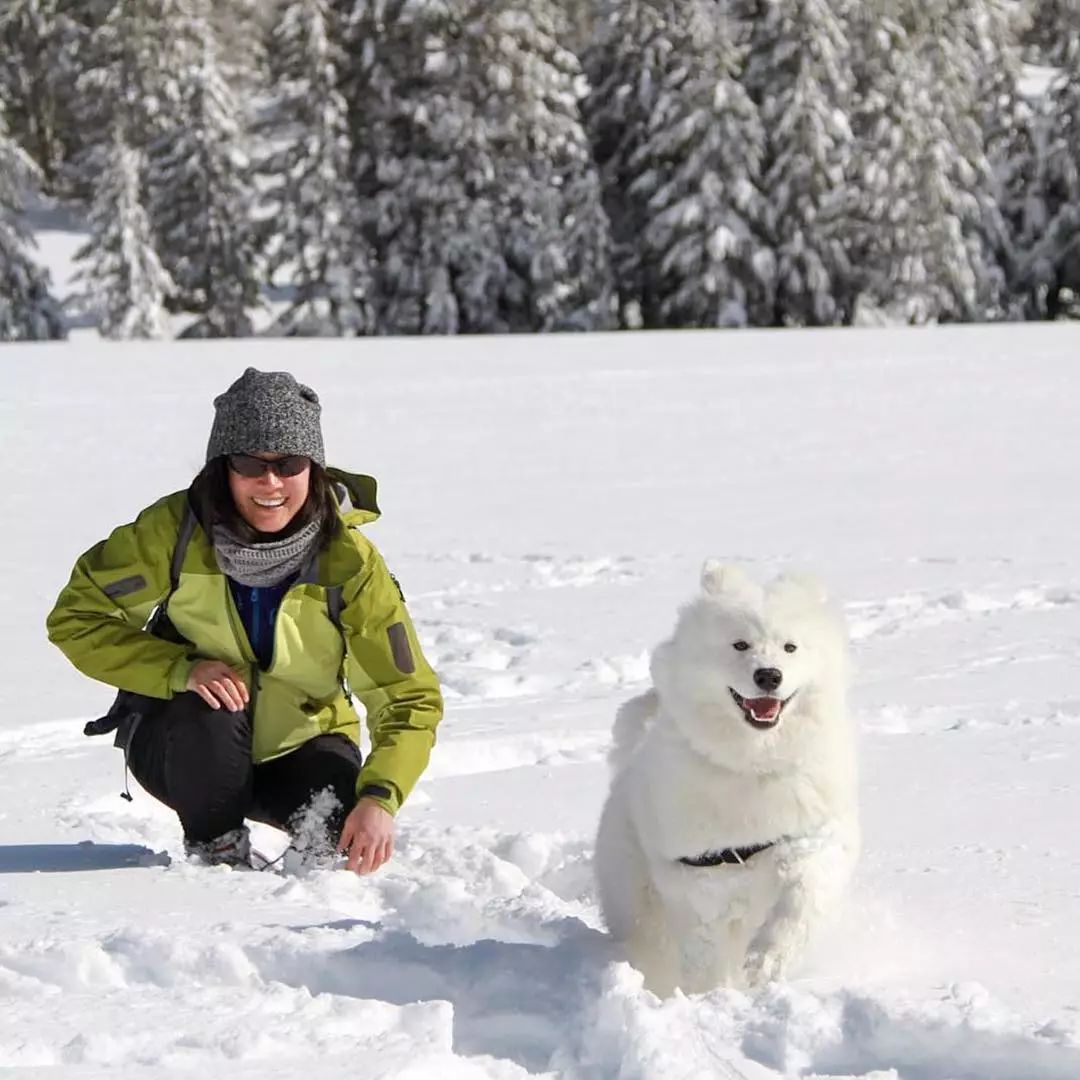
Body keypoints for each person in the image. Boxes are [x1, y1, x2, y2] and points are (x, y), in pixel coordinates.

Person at [46, 367, 442, 872]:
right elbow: (77, 618)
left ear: (314, 468)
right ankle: (218, 852)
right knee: (215, 700)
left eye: (289, 463)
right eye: (250, 463)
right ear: (224, 468)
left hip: (300, 745)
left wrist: (381, 798)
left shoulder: (349, 561)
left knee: (338, 831)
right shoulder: (173, 532)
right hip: (184, 749)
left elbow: (406, 694)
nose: (270, 482)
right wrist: (179, 669)